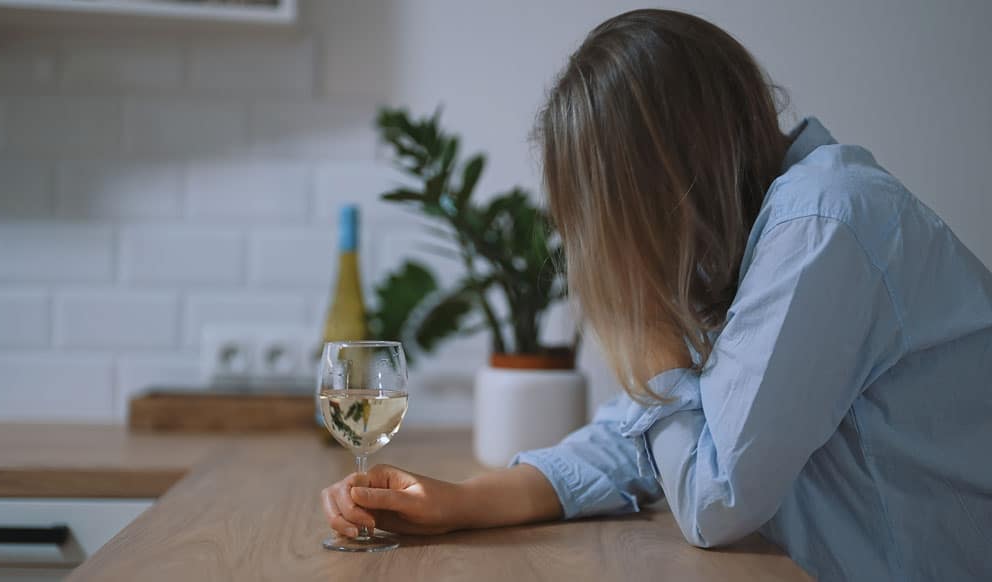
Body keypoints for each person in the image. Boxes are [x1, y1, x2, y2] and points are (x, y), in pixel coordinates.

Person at [320, 9, 992, 581]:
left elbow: (714, 500)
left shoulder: (820, 225)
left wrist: (641, 316)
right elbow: (639, 435)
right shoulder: (762, 237)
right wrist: (462, 502)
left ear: (655, 186)